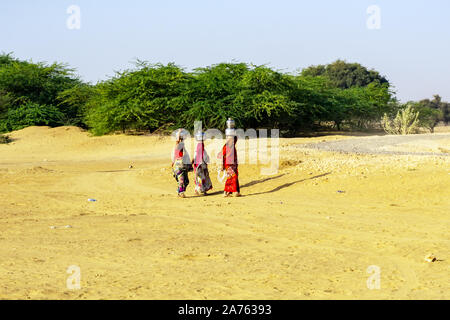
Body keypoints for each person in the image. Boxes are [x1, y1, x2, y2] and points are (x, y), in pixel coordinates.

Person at [172, 129, 192, 198]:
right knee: (181, 179)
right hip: (178, 164)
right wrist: (179, 133)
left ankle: (179, 191)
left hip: (182, 164)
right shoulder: (177, 145)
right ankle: (181, 192)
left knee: (186, 181)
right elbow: (177, 140)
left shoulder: (182, 145)